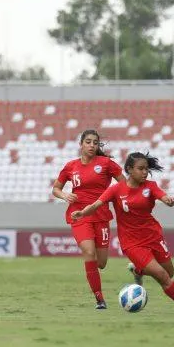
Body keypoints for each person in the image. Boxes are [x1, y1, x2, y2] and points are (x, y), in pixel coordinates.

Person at [72, 152, 174, 316]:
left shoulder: (150, 186)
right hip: (132, 243)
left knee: (168, 272)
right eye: (140, 169)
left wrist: (168, 200)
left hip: (153, 236)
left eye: (146, 169)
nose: (145, 172)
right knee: (162, 276)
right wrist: (82, 213)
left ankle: (138, 271)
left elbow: (163, 196)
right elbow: (97, 204)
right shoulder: (116, 189)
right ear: (129, 170)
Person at [52, 129, 124, 309]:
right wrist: (65, 195)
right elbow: (56, 189)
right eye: (88, 142)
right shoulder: (70, 166)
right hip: (78, 214)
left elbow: (124, 185)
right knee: (89, 252)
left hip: (100, 215)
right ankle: (99, 299)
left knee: (101, 263)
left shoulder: (106, 163)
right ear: (81, 144)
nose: (92, 145)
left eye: (95, 142)